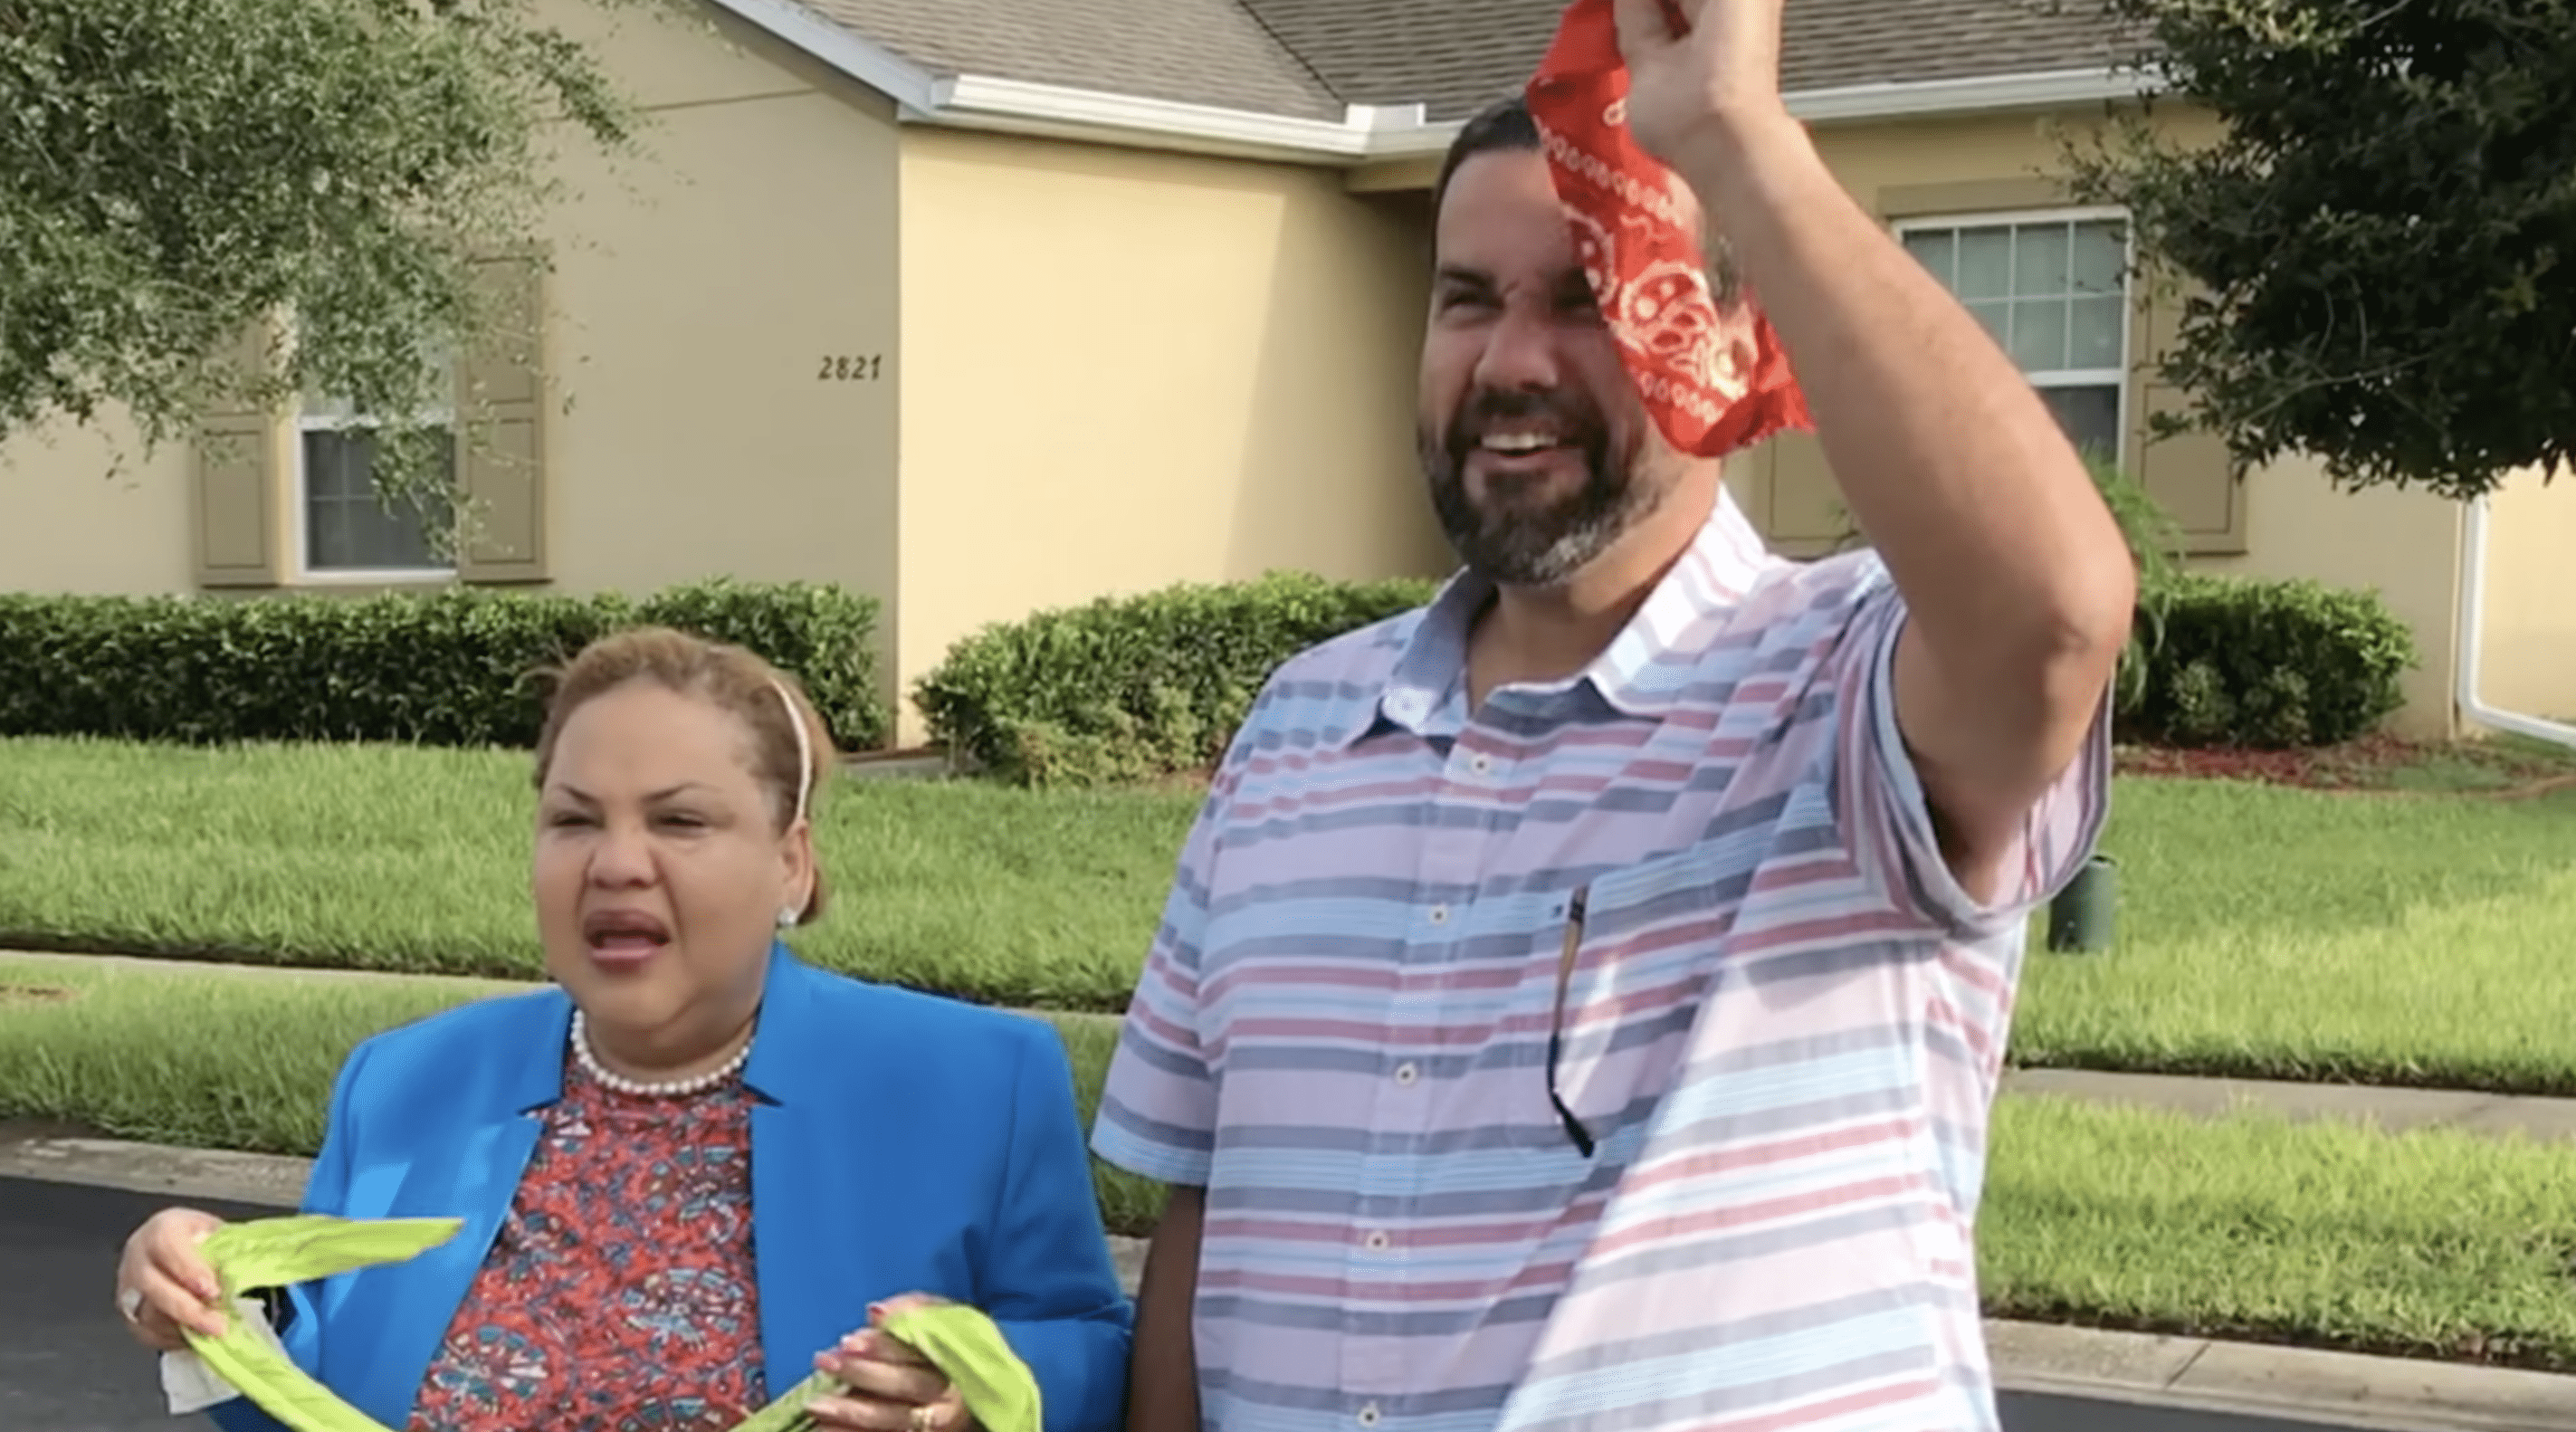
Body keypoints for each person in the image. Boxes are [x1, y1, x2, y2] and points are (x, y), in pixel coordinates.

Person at [1090, 0, 2135, 1429]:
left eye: (1587, 294)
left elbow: (2052, 618)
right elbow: (1205, 1211)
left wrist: (1733, 141)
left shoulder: (1836, 682)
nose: (1511, 360)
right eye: (1468, 297)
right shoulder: (1301, 722)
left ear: (1731, 334)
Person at [113, 627, 1133, 1432]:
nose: (616, 862)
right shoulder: (402, 1082)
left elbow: (1097, 1357)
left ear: (792, 863)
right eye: (574, 819)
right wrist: (206, 1310)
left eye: (680, 821)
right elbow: (304, 1400)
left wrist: (978, 1391)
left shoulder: (973, 1080)